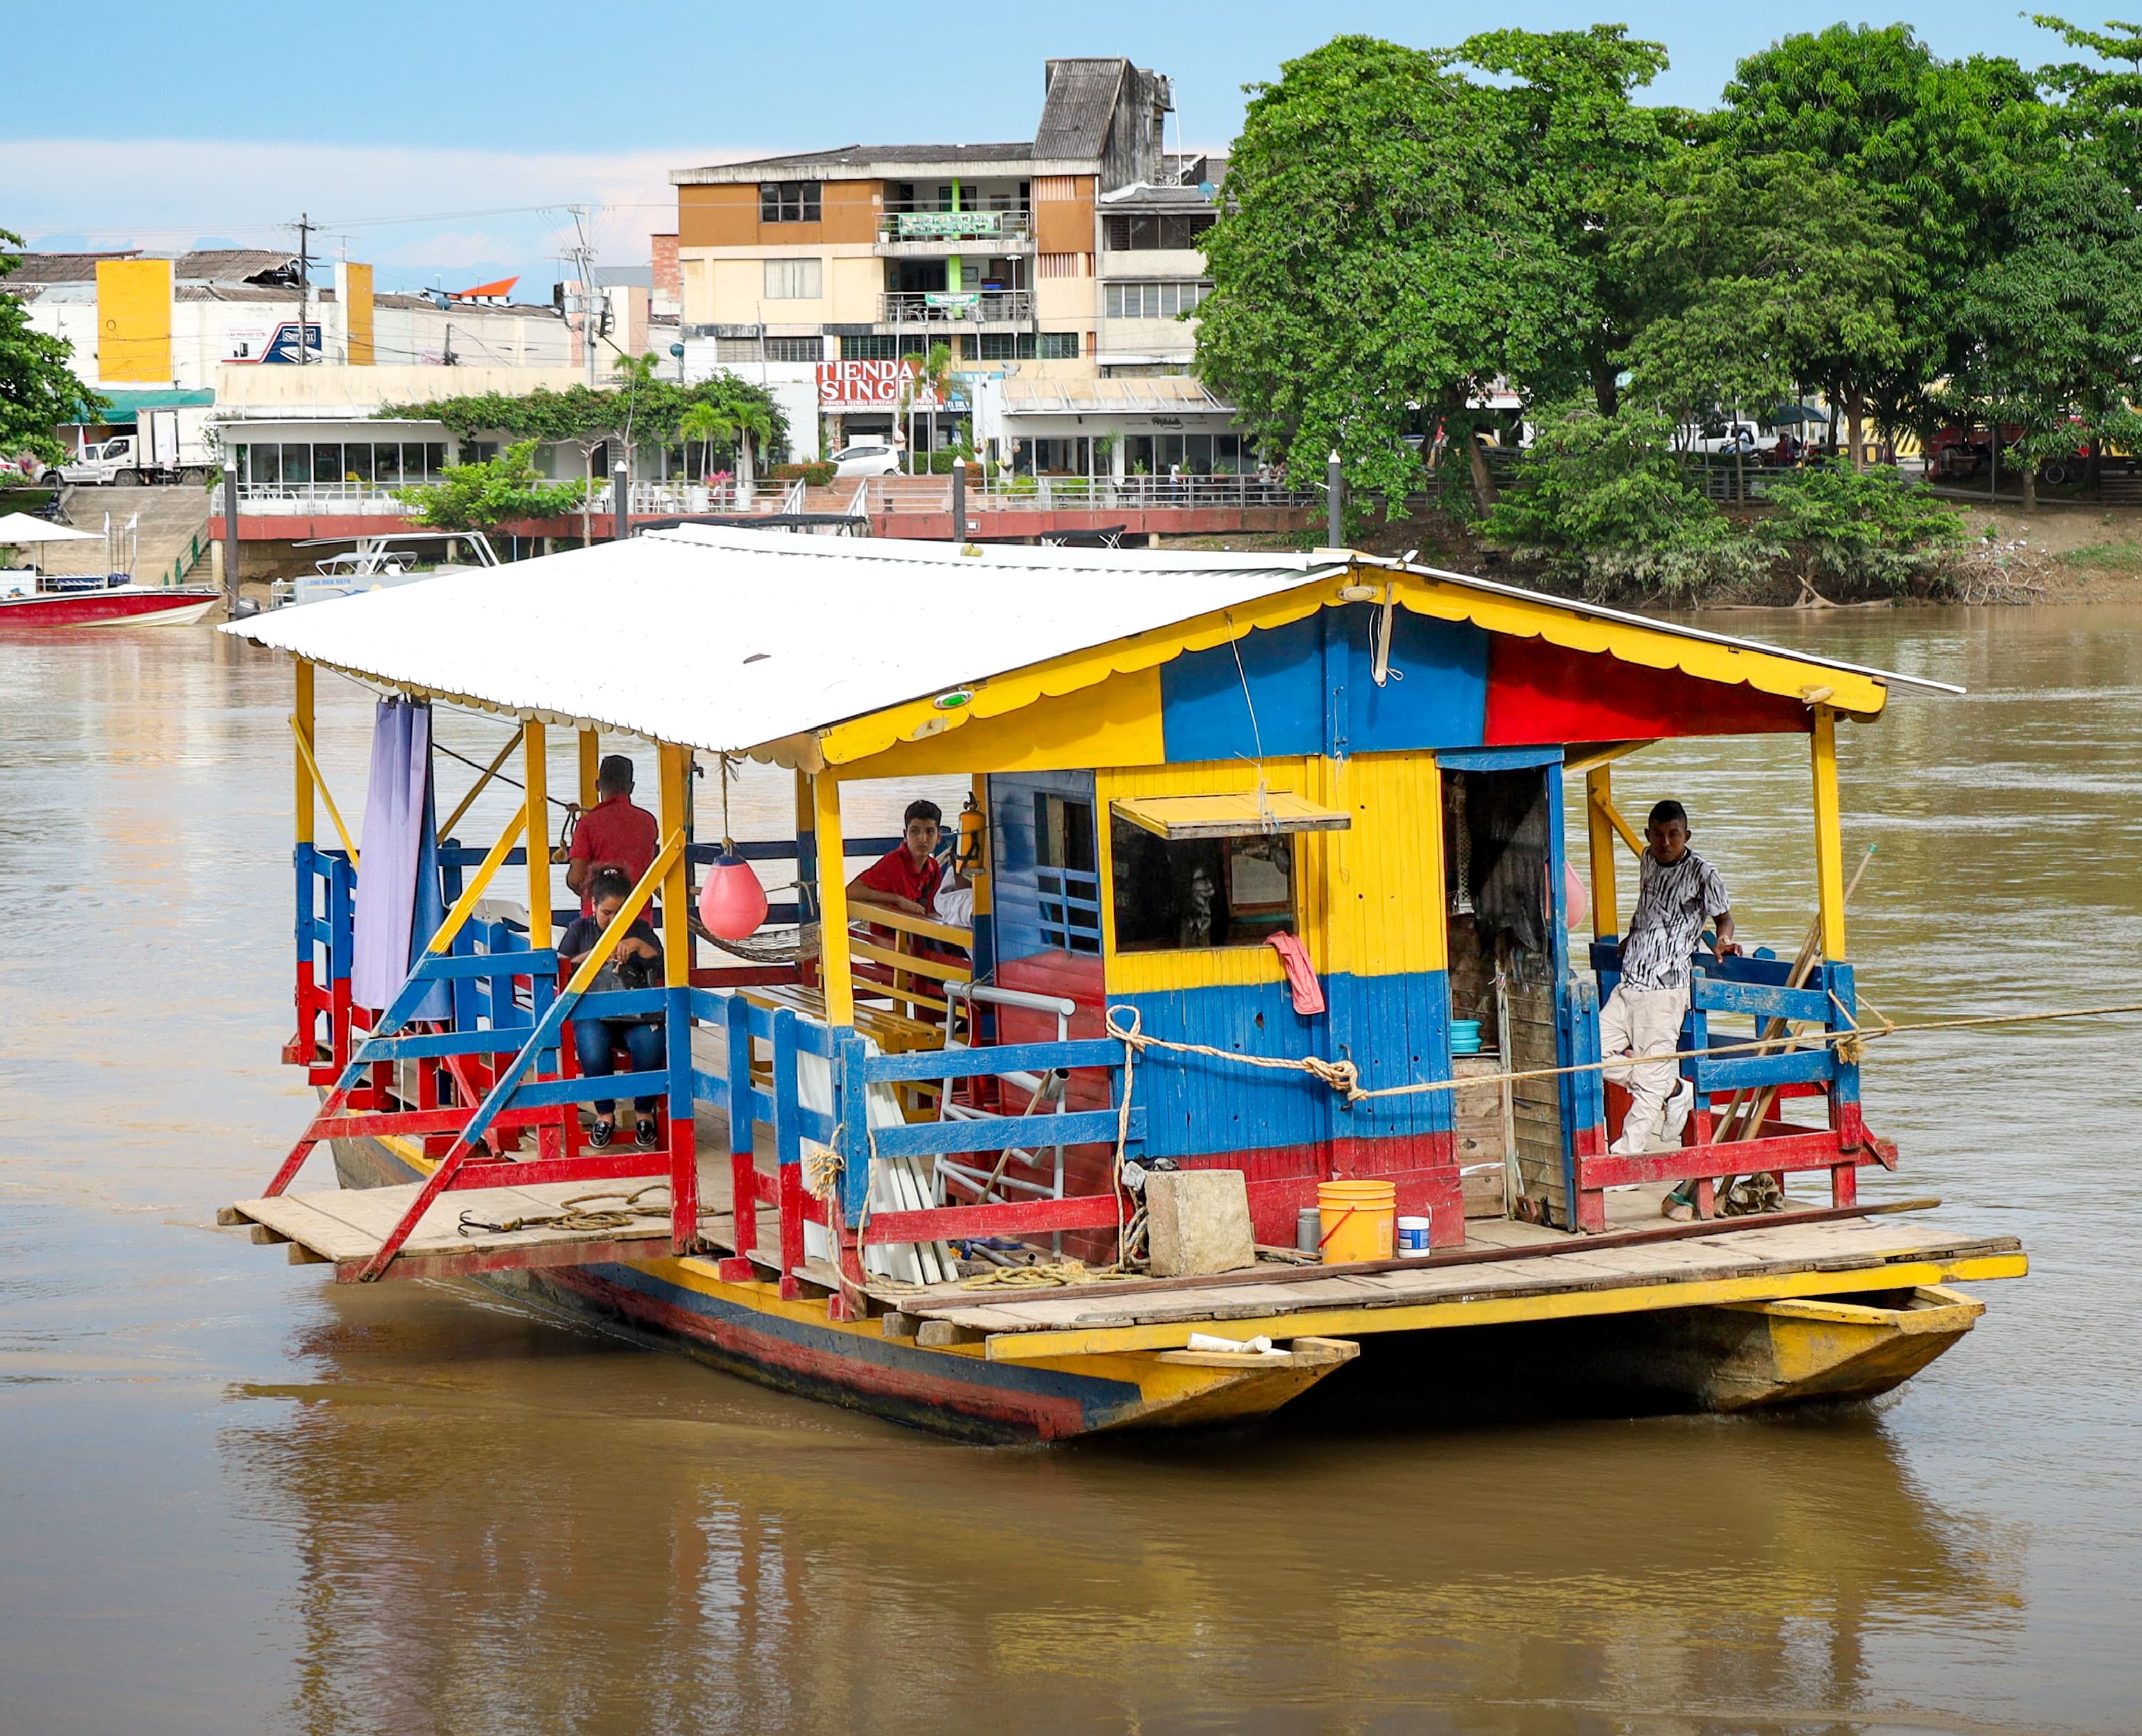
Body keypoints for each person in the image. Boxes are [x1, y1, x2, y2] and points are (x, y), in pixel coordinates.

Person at [1601, 799, 1738, 1164]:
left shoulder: (1703, 873)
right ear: (1648, 835)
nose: (1665, 842)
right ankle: (1674, 1088)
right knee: (1589, 1054)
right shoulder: (1647, 859)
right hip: (1630, 981)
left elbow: (1724, 919)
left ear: (1686, 835)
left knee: (1647, 1081)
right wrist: (1635, 936)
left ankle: (1623, 1159)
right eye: (1658, 835)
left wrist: (1723, 941)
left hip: (1665, 990)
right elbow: (1646, 906)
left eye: (1673, 835)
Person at [558, 867, 665, 1149]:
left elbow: (662, 964)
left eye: (620, 913)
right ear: (593, 905)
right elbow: (562, 968)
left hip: (636, 1018)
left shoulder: (641, 931)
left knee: (653, 1041)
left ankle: (644, 1112)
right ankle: (605, 1114)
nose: (613, 920)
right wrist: (601, 953)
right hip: (595, 1018)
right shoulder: (578, 930)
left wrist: (639, 946)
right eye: (607, 913)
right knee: (592, 1046)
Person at [566, 753, 658, 918]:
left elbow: (576, 878)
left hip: (600, 919)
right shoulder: (648, 821)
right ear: (631, 787)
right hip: (638, 916)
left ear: (597, 785)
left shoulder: (588, 824)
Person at [847, 799, 948, 917]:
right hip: (887, 934)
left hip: (918, 931)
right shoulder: (894, 863)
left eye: (930, 832)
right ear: (905, 835)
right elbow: (850, 892)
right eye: (915, 831)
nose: (922, 838)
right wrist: (897, 900)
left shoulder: (934, 868)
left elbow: (932, 909)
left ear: (939, 837)